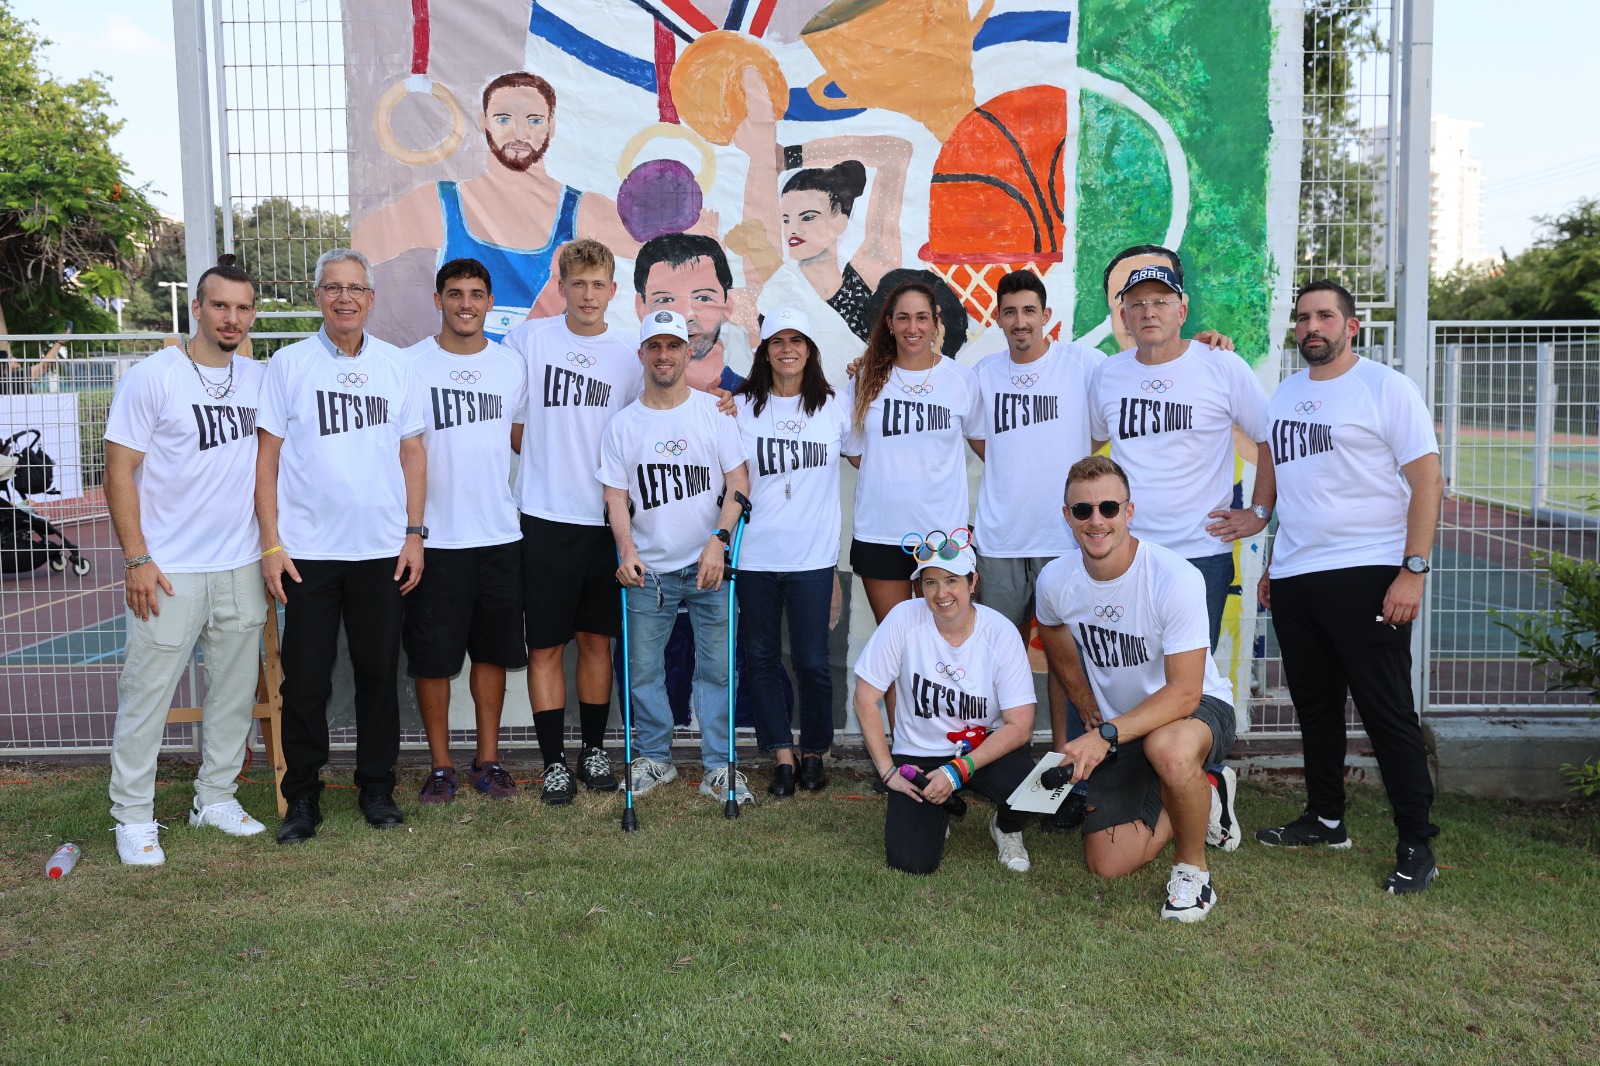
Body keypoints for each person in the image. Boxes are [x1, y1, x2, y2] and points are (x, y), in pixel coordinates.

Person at [1255, 280, 1444, 894]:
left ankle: (1417, 842)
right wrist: (1272, 567)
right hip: (1296, 577)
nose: (1313, 326)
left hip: (1370, 573)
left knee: (1386, 712)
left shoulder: (1387, 387)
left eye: (1326, 316)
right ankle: (1326, 818)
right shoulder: (1285, 393)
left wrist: (1411, 570)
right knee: (1314, 709)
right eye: (1303, 317)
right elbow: (1297, 491)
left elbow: (1427, 482)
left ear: (1351, 325)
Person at [256, 248, 428, 843]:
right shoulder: (288, 364)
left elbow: (412, 454)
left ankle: (376, 788)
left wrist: (414, 534)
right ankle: (301, 796)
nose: (345, 297)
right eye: (333, 287)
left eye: (356, 288)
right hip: (308, 555)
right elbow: (268, 459)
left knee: (380, 674)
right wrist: (272, 544)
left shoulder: (397, 366)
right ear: (317, 297)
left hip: (381, 550)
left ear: (371, 299)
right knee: (305, 680)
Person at [102, 257, 267, 864]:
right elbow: (118, 470)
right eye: (220, 305)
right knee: (147, 694)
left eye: (243, 308)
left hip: (240, 562)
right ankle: (133, 815)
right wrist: (136, 557)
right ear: (197, 308)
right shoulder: (154, 376)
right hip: (168, 567)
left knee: (231, 692)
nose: (231, 317)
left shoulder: (258, 380)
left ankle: (216, 797)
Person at [1036, 455, 1239, 922]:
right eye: (1082, 511)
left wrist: (1105, 735)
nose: (1096, 520)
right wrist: (1084, 700)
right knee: (1108, 864)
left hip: (1194, 710)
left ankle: (1193, 873)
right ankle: (1203, 789)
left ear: (1129, 512)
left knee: (1168, 747)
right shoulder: (1056, 579)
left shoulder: (1173, 577)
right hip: (1122, 725)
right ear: (1067, 517)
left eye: (1109, 507)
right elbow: (1053, 634)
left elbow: (1185, 692)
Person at [504, 239, 642, 805]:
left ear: (614, 289)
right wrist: (546, 456)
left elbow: (650, 423)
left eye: (598, 284)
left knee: (596, 643)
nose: (588, 295)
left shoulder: (632, 349)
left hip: (606, 521)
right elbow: (510, 423)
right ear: (561, 286)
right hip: (543, 515)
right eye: (577, 283)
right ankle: (554, 761)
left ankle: (591, 751)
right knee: (544, 646)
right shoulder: (529, 340)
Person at [353, 71, 649, 336]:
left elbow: (671, 243)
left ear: (551, 127)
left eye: (534, 120)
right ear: (483, 122)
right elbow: (356, 250)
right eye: (504, 119)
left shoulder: (582, 210)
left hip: (546, 377)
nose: (519, 133)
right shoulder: (439, 203)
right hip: (471, 375)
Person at [599, 310, 752, 804]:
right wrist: (625, 548)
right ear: (642, 354)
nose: (664, 356)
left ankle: (719, 768)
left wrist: (719, 540)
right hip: (648, 569)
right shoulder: (623, 425)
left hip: (709, 564)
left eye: (673, 346)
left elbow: (739, 484)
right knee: (643, 671)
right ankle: (655, 760)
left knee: (716, 669)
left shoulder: (714, 412)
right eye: (654, 347)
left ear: (689, 352)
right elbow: (615, 496)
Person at [1089, 254, 1273, 652]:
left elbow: (1269, 437)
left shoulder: (1221, 364)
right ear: (1124, 316)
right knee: (1130, 668)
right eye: (1137, 303)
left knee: (1192, 680)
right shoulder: (1108, 374)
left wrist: (1259, 512)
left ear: (1182, 310)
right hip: (1128, 551)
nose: (1148, 311)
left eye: (1161, 301)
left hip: (1201, 553)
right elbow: (1090, 446)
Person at [401, 258, 527, 804]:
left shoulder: (511, 367)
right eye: (455, 294)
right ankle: (441, 765)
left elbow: (523, 437)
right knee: (433, 659)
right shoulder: (409, 366)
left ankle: (489, 759)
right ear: (438, 300)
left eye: (477, 294)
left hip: (499, 534)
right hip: (435, 539)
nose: (466, 304)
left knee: (492, 655)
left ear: (490, 302)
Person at [854, 544, 1038, 875]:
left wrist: (956, 771)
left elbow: (1020, 725)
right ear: (920, 586)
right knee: (910, 863)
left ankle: (1007, 826)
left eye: (952, 581)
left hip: (982, 747)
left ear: (973, 582)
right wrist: (887, 772)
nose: (942, 593)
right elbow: (865, 697)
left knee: (1030, 785)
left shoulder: (1000, 632)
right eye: (930, 582)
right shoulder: (903, 619)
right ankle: (936, 815)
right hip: (921, 753)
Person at [731, 307, 851, 795]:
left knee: (812, 661)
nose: (786, 349)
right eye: (776, 340)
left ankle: (814, 753)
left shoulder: (834, 406)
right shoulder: (738, 408)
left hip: (813, 559)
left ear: (809, 349)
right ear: (763, 350)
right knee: (760, 658)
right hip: (756, 556)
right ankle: (782, 755)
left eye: (796, 340)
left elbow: (869, 459)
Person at [843, 280, 983, 632]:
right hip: (881, 534)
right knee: (894, 646)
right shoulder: (865, 379)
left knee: (941, 642)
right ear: (889, 323)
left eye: (922, 318)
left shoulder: (961, 380)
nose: (913, 327)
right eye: (903, 318)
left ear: (935, 322)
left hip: (941, 540)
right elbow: (858, 454)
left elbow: (984, 446)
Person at [633, 233, 751, 394]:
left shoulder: (747, 397)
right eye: (665, 299)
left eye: (703, 297)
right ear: (641, 307)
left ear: (727, 306)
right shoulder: (627, 396)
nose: (685, 315)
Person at [0, 328, 69, 394]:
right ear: (4, 363)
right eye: (11, 357)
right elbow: (43, 366)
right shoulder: (15, 378)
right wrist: (60, 343)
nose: (15, 359)